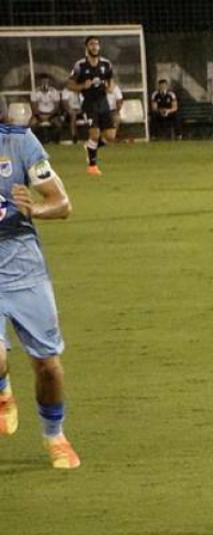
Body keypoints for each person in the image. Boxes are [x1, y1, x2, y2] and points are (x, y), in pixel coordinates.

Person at [0, 96, 79, 469]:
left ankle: (54, 435)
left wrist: (36, 209)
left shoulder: (20, 143)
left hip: (25, 270)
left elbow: (62, 203)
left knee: (47, 366)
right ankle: (3, 391)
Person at [65, 35, 116, 175]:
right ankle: (92, 166)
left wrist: (110, 87)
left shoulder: (106, 64)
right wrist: (82, 85)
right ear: (87, 47)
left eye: (97, 44)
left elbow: (111, 79)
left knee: (110, 136)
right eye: (92, 44)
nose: (95, 46)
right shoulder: (80, 65)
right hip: (88, 102)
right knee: (95, 133)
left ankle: (90, 147)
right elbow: (69, 84)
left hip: (103, 101)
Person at [29, 75, 64, 145]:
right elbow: (34, 108)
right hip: (39, 115)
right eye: (43, 82)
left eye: (46, 82)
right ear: (40, 82)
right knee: (31, 125)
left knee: (59, 124)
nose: (45, 83)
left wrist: (49, 115)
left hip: (52, 114)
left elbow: (56, 107)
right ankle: (35, 142)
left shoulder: (54, 92)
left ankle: (55, 141)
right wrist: (41, 115)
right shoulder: (34, 92)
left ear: (49, 83)